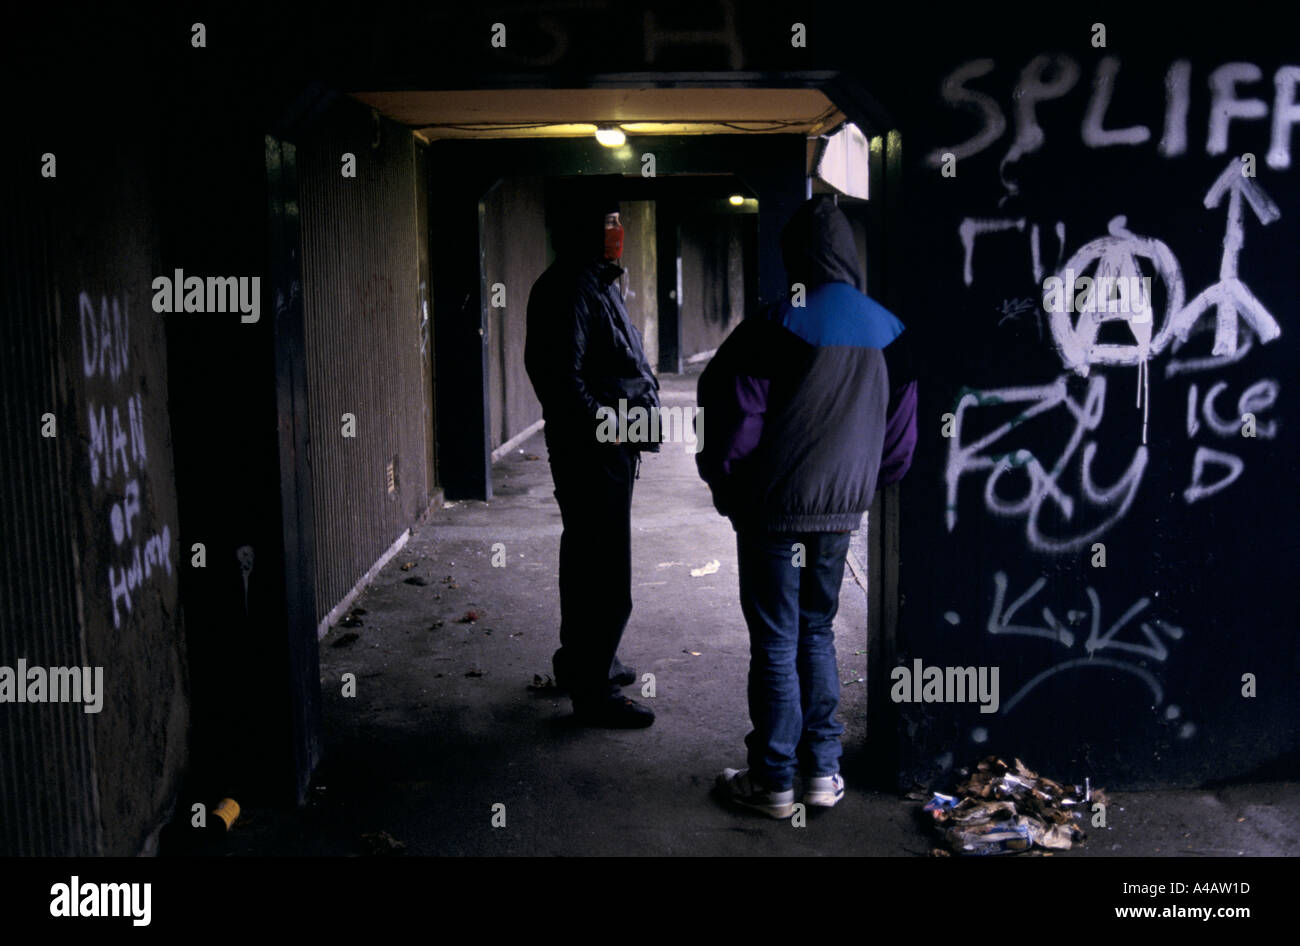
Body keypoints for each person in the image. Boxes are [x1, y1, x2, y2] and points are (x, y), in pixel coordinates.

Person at [695, 195, 917, 816]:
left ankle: (773, 780)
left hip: (772, 511)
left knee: (773, 640)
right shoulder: (890, 329)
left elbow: (734, 420)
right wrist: (863, 487)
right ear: (848, 253)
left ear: (796, 255)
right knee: (816, 631)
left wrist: (725, 485)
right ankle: (821, 774)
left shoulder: (775, 323)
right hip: (841, 512)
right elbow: (899, 441)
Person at [524, 180, 661, 728]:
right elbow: (561, 382)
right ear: (582, 230)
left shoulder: (596, 283)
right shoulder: (571, 288)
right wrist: (611, 432)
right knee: (604, 570)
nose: (617, 232)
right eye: (607, 222)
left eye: (618, 221)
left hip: (607, 449)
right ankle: (594, 689)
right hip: (594, 452)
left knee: (588, 558)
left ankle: (582, 660)